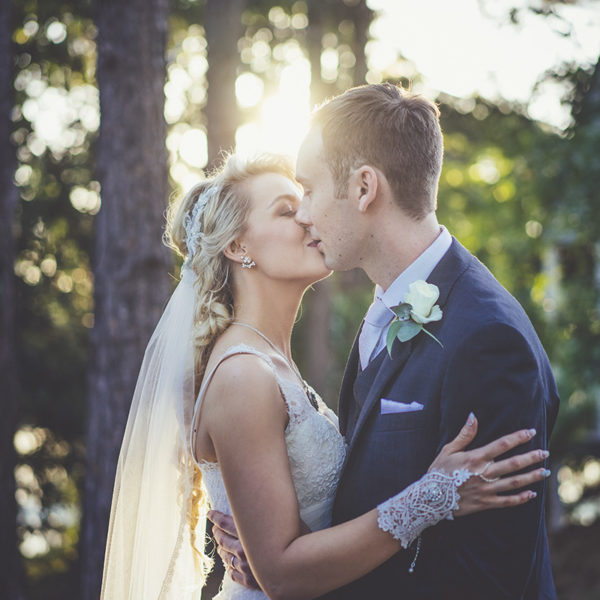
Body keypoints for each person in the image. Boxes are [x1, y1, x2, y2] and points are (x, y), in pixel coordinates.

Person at [100, 153, 550, 600]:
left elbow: (293, 539)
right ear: (238, 247)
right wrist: (431, 498)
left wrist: (267, 546)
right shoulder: (242, 374)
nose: (308, 219)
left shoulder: (273, 363)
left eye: (306, 203)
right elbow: (280, 575)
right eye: (286, 210)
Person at [211, 84, 560, 599]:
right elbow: (366, 487)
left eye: (309, 189)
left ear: (364, 188)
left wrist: (291, 573)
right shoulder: (387, 306)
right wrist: (286, 552)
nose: (304, 214)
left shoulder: (488, 338)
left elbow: (487, 576)